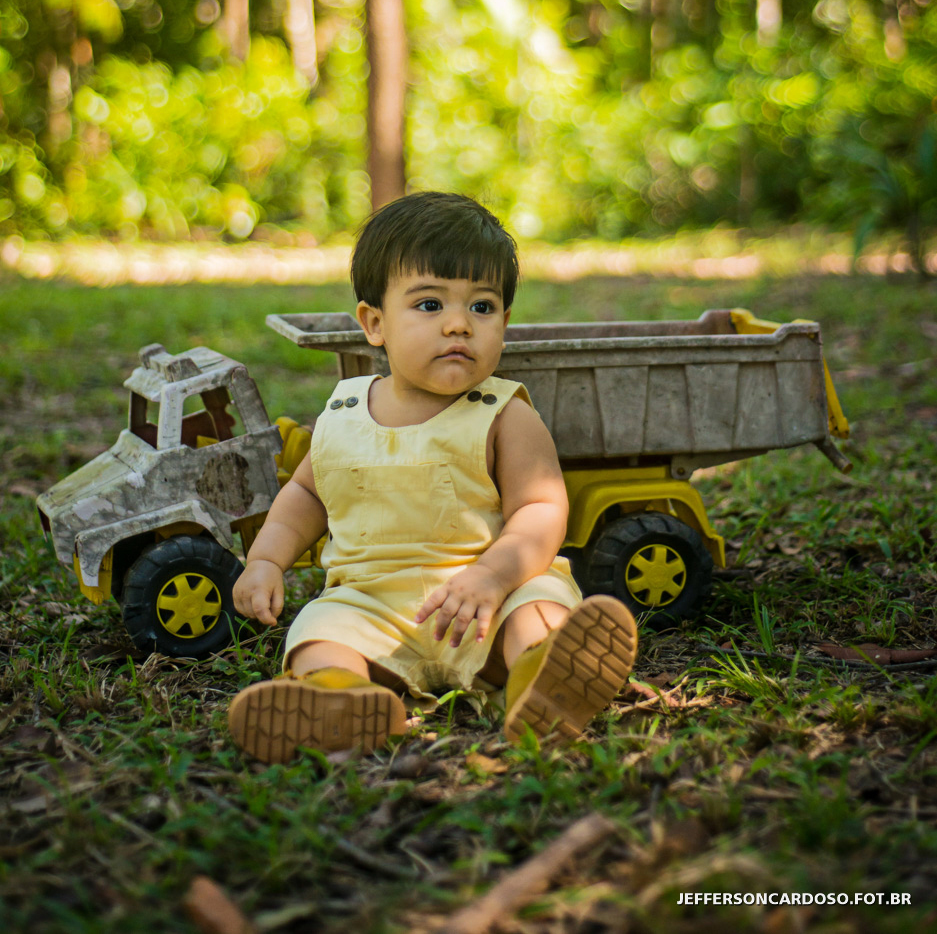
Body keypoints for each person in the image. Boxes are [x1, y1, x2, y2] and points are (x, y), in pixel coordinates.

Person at [228, 192, 637, 764]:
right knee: (320, 629)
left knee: (540, 604)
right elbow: (303, 494)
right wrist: (266, 561)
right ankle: (340, 699)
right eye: (428, 305)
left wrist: (494, 578)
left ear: (505, 322)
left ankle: (541, 678)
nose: (458, 325)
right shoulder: (342, 413)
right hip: (370, 604)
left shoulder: (504, 413)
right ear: (375, 323)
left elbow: (541, 511)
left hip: (489, 599)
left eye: (482, 307)